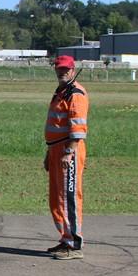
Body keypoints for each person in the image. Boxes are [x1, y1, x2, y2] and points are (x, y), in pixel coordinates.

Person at [43, 55, 89, 260]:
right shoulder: (61, 91)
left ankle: (73, 244)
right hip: (55, 150)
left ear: (73, 70)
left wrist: (69, 153)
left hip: (68, 151)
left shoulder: (75, 94)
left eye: (65, 69)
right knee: (57, 198)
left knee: (69, 198)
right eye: (58, 69)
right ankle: (65, 238)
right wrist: (49, 153)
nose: (62, 72)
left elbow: (78, 128)